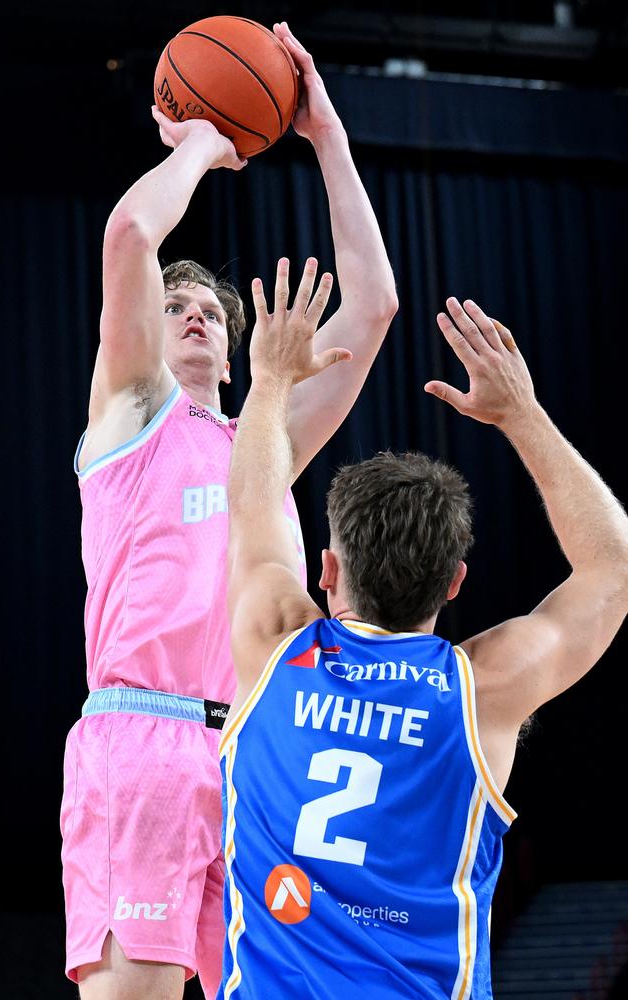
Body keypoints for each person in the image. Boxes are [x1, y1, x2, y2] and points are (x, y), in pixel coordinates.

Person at [60, 21, 398, 1000]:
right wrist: (205, 145)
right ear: (146, 343)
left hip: (266, 751)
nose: (197, 312)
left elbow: (371, 306)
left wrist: (325, 137)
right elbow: (131, 235)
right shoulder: (129, 419)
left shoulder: (264, 441)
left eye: (210, 306)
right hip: (147, 740)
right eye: (175, 309)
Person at [221, 258, 628, 999]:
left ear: (327, 571)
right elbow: (613, 569)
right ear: (455, 582)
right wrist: (522, 414)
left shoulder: (277, 644)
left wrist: (272, 379)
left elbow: (250, 506)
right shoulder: (481, 690)